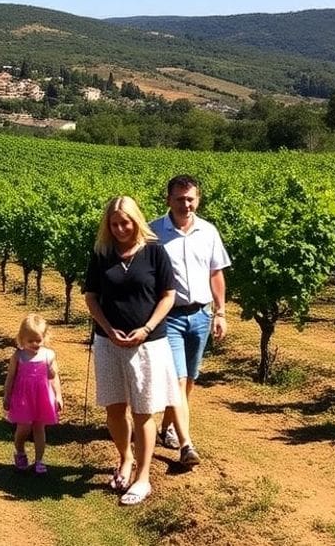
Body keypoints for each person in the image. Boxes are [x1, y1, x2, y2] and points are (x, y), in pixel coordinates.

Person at [82, 195, 181, 506]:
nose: (120, 229)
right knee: (114, 410)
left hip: (148, 344)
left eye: (125, 222)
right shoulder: (101, 253)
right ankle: (124, 458)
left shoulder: (155, 252)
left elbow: (168, 296)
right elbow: (91, 296)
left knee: (143, 412)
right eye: (114, 224)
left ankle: (143, 476)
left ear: (136, 221)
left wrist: (147, 328)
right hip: (108, 343)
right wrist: (108, 329)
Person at [151, 174, 230, 467]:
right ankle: (186, 445)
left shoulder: (209, 231)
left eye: (191, 199)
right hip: (168, 318)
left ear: (198, 200)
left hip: (200, 315)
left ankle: (167, 426)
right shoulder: (153, 232)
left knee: (189, 383)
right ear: (168, 200)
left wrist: (220, 312)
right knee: (177, 378)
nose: (186, 204)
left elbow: (216, 274)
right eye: (180, 199)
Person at [3, 312, 63, 475]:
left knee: (39, 428)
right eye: (31, 341)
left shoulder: (48, 355)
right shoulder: (18, 356)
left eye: (38, 340)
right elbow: (10, 377)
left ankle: (39, 460)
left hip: (42, 397)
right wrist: (7, 395)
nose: (35, 344)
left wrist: (58, 396)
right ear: (22, 339)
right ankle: (20, 451)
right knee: (24, 427)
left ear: (44, 338)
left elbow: (53, 377)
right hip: (24, 397)